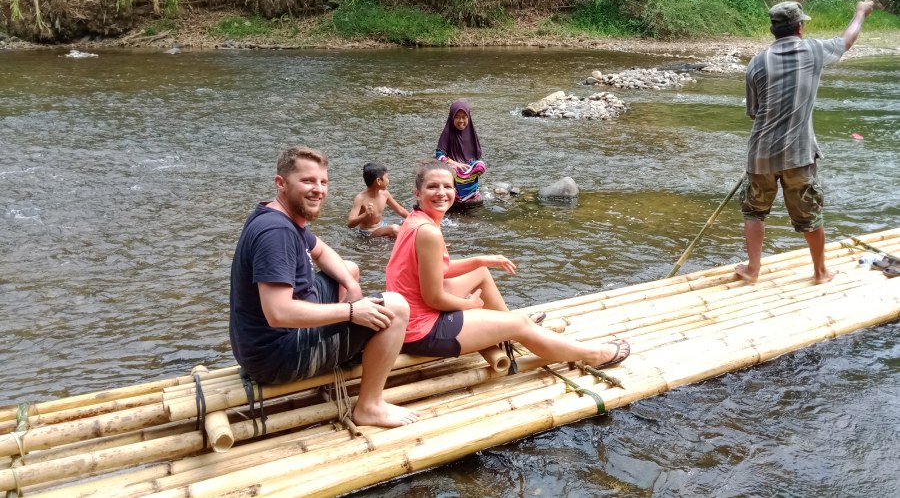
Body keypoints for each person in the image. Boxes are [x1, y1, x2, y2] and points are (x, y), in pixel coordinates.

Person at [229, 146, 418, 428]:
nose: (318, 190)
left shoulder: (279, 216)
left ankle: (341, 343)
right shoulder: (276, 233)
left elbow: (322, 252)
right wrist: (351, 312)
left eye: (323, 182)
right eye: (308, 181)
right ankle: (369, 406)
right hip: (277, 358)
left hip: (262, 344)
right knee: (396, 308)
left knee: (349, 268)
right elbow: (278, 312)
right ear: (281, 183)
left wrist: (351, 285)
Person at [385, 159, 630, 369]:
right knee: (521, 324)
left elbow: (436, 270)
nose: (441, 192)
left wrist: (482, 259)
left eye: (447, 186)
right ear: (418, 193)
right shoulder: (429, 232)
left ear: (455, 191)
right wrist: (469, 305)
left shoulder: (415, 220)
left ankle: (505, 326)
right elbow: (434, 299)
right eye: (432, 187)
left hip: (411, 316)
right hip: (422, 331)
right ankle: (593, 355)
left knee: (480, 271)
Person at [736, 0, 873, 285]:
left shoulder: (756, 62)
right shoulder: (813, 50)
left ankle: (752, 270)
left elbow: (753, 113)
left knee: (754, 213)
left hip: (759, 156)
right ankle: (820, 273)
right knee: (810, 216)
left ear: (773, 29)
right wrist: (860, 12)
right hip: (798, 156)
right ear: (799, 27)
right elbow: (847, 40)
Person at [435, 100, 487, 207]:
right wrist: (455, 163)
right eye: (457, 117)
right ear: (452, 117)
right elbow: (439, 155)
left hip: (467, 169)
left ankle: (471, 193)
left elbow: (476, 156)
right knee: (453, 169)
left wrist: (469, 165)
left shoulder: (471, 133)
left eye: (464, 117)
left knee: (480, 165)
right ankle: (457, 195)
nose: (461, 120)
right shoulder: (447, 133)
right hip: (453, 169)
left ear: (469, 117)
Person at [346, 162, 410, 238]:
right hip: (368, 232)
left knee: (407, 223)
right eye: (387, 178)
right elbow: (350, 223)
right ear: (379, 181)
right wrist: (365, 215)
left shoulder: (384, 194)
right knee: (394, 229)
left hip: (382, 226)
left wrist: (416, 219)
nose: (388, 181)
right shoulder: (360, 198)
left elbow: (400, 210)